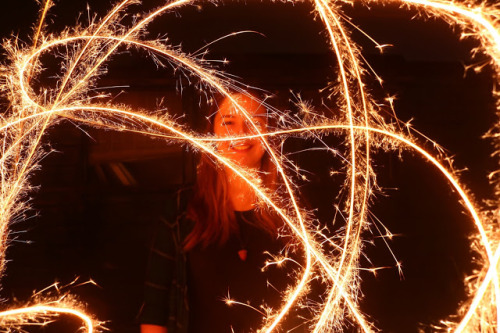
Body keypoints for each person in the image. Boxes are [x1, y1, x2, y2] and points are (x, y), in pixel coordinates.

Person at [139, 93, 291, 333]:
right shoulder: (182, 209)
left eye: (255, 122)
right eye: (229, 122)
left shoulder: (294, 218)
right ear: (212, 133)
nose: (242, 133)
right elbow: (154, 309)